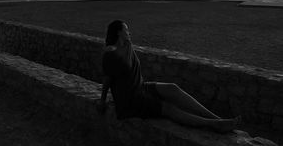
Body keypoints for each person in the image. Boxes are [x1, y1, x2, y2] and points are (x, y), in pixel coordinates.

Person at [98, 20, 241, 133]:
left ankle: (217, 118)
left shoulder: (127, 46)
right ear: (118, 32)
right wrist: (102, 100)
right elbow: (107, 79)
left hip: (140, 88)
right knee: (169, 109)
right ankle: (214, 125)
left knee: (173, 88)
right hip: (130, 99)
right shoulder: (111, 53)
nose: (129, 32)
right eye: (126, 29)